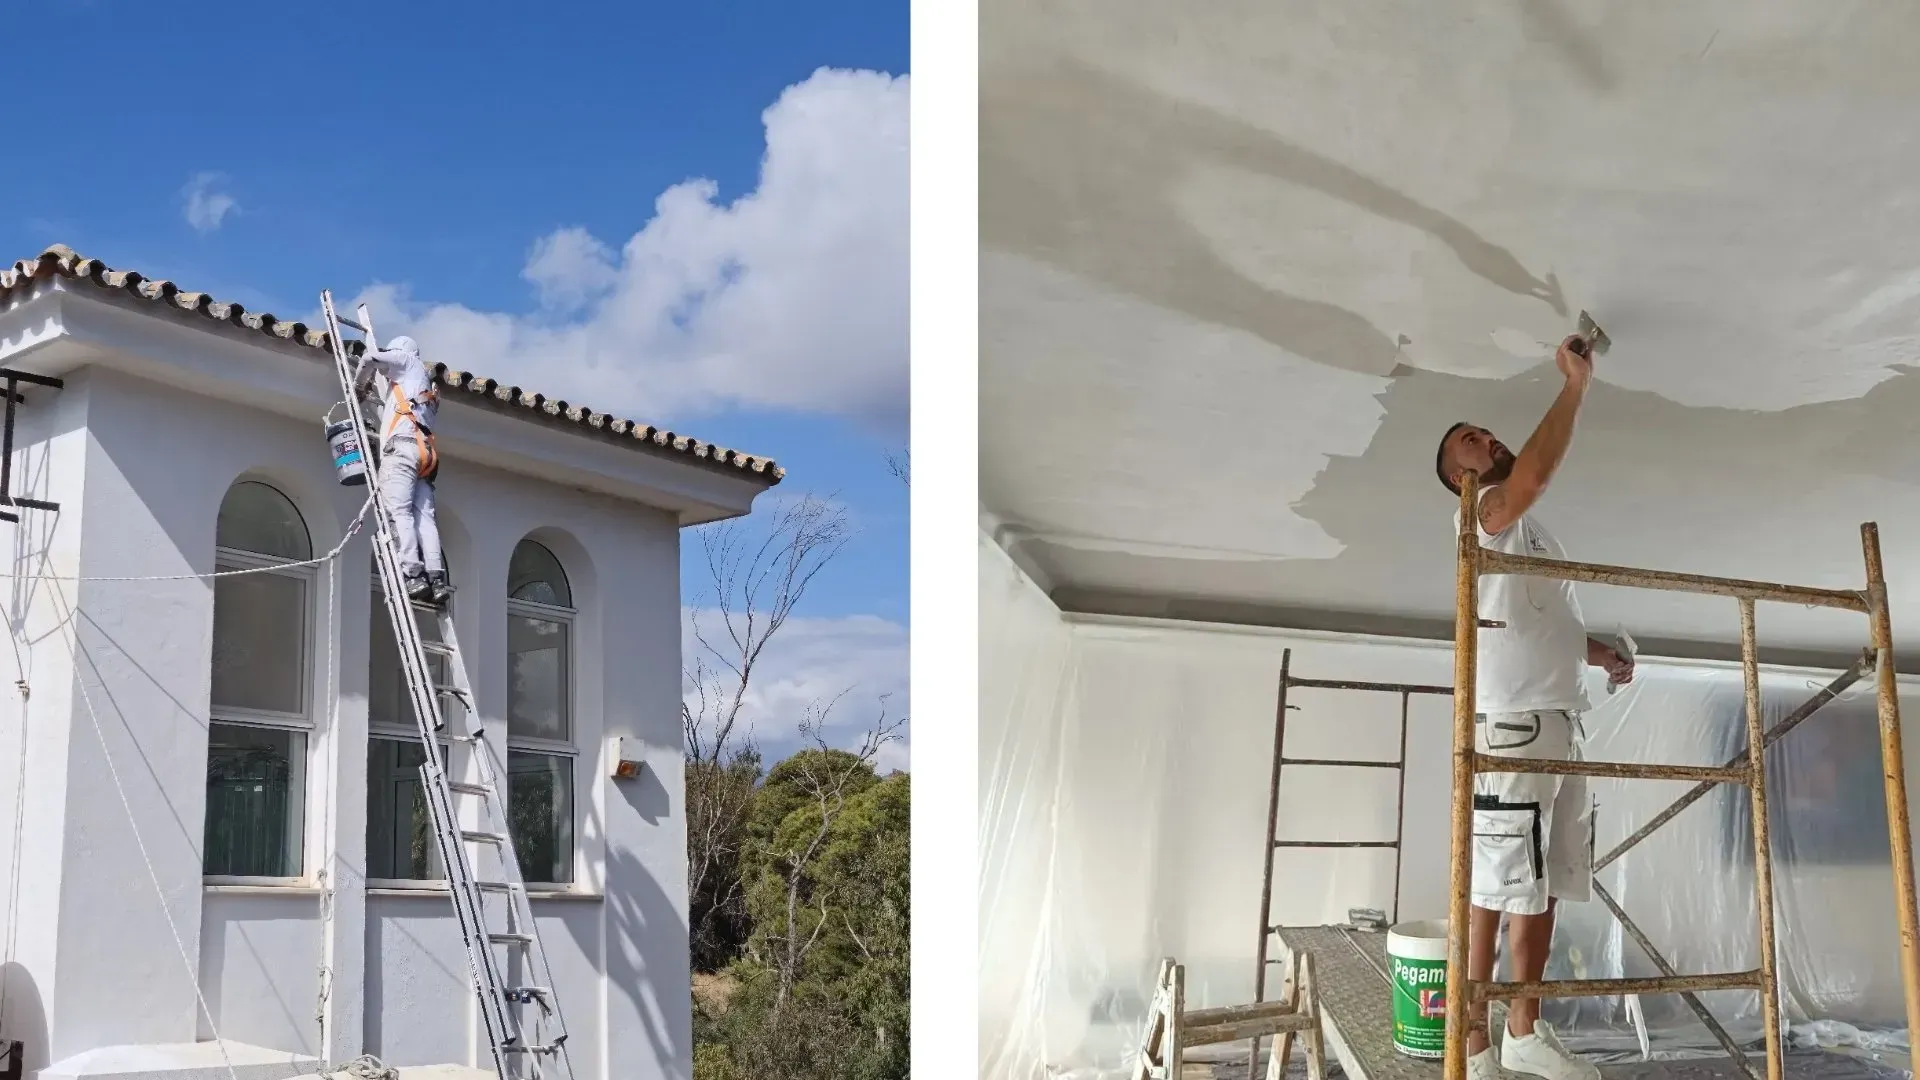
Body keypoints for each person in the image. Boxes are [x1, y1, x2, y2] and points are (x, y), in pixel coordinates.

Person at [1433, 335, 1634, 1080]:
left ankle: (1523, 1028)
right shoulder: (1484, 511)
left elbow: (1542, 627)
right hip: (1516, 728)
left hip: (1557, 722)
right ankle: (1475, 1038)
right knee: (1495, 881)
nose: (1488, 439)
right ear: (1462, 477)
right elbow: (1537, 474)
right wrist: (1575, 388)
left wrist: (1601, 654)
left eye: (1484, 431)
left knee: (1544, 879)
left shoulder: (1529, 535)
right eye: (1470, 443)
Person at [355, 334, 454, 605]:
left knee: (399, 511)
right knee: (425, 518)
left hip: (403, 450)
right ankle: (436, 578)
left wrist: (359, 387)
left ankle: (412, 573)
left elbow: (370, 358)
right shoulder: (429, 388)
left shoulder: (408, 362)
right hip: (427, 454)